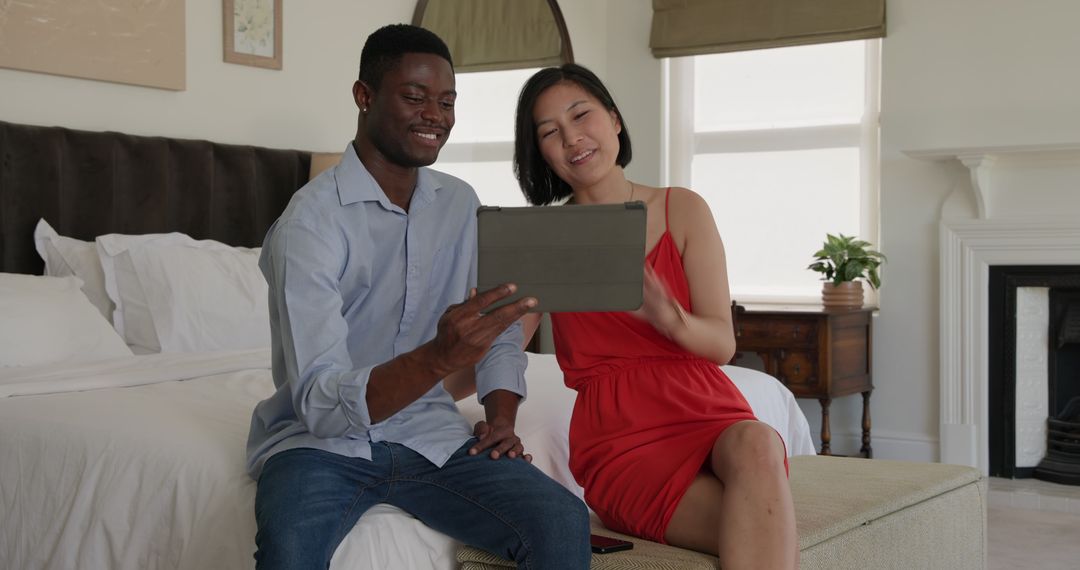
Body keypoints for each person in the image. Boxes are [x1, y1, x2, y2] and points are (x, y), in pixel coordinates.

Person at [245, 25, 590, 570]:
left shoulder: (460, 204)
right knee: (289, 551)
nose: (436, 115)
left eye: (447, 101)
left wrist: (501, 417)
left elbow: (497, 328)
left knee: (562, 521)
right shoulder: (308, 225)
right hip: (319, 447)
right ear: (364, 97)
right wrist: (440, 357)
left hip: (432, 436)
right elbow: (318, 402)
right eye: (414, 97)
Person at [513, 63, 798, 568]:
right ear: (542, 154)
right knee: (760, 531)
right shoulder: (546, 240)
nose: (572, 138)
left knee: (758, 440)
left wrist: (669, 318)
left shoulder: (681, 209)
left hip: (708, 411)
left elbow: (722, 346)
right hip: (623, 443)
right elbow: (497, 357)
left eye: (582, 116)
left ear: (615, 120)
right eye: (550, 132)